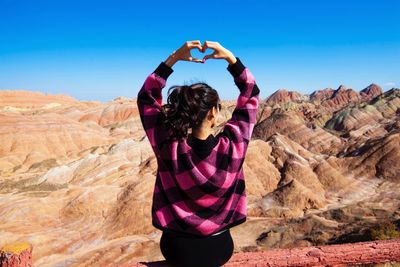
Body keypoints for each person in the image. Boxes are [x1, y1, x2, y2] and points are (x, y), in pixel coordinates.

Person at [137, 40, 260, 267]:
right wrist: (231, 59)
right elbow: (250, 93)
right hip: (218, 249)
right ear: (213, 113)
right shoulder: (233, 146)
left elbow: (146, 97)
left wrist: (173, 58)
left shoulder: (168, 146)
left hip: (177, 249)